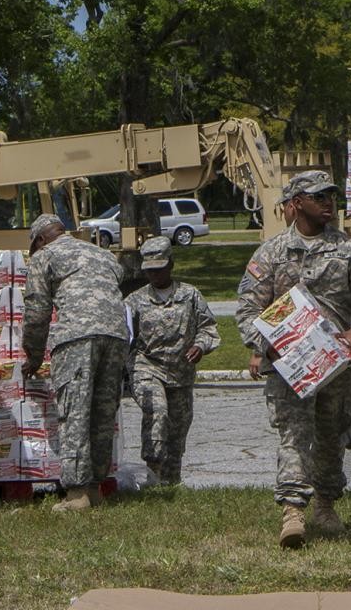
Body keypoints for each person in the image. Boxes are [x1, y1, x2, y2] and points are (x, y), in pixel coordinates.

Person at [236, 170, 351, 548]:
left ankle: (326, 503)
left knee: (332, 435)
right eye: (319, 197)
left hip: (337, 366)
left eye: (331, 196)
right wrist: (267, 343)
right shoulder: (271, 253)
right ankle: (292, 510)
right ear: (297, 202)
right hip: (290, 368)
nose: (328, 204)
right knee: (294, 435)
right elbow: (247, 310)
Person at [22, 213, 127, 511]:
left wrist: (33, 354)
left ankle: (77, 493)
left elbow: (37, 311)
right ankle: (95, 488)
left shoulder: (46, 256)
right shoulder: (102, 254)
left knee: (76, 412)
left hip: (77, 337)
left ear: (41, 240)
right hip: (117, 336)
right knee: (103, 413)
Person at [126, 235, 219, 487]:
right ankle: (151, 473)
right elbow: (125, 336)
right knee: (158, 411)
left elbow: (208, 329)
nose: (154, 275)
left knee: (177, 430)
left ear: (171, 265)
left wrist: (201, 345)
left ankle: (169, 485)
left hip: (180, 373)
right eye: (150, 271)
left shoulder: (190, 295)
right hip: (147, 366)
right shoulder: (134, 300)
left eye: (159, 269)